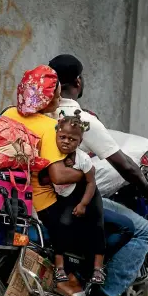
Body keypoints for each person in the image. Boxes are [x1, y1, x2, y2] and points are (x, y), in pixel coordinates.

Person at [2, 65, 135, 296]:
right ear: (46, 97)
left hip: (12, 195)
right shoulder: (47, 127)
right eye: (55, 94)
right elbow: (59, 176)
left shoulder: (8, 113)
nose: (59, 98)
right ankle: (79, 276)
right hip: (45, 204)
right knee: (125, 227)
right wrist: (87, 173)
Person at [49, 54, 148, 296]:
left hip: (37, 195)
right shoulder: (82, 119)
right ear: (78, 81)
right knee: (142, 231)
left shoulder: (38, 111)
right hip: (67, 197)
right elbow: (124, 165)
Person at [44, 110, 106, 285]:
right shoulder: (52, 154)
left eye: (72, 140)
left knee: (97, 227)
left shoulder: (83, 159)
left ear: (80, 142)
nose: (66, 142)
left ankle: (98, 269)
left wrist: (84, 204)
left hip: (87, 195)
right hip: (66, 196)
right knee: (61, 226)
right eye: (63, 137)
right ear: (56, 134)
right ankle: (60, 267)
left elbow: (91, 183)